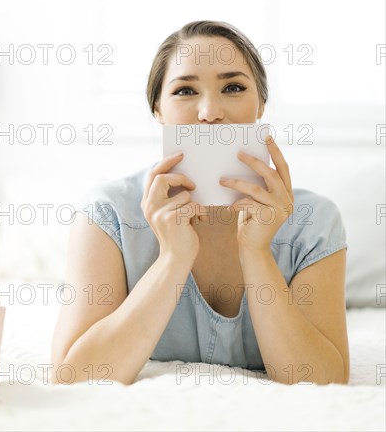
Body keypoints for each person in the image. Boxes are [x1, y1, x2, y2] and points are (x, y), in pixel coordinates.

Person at [51, 20, 350, 386]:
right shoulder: (107, 214)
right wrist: (173, 258)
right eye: (185, 91)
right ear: (157, 110)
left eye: (234, 87)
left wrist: (256, 252)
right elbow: (73, 378)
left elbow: (323, 382)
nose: (210, 112)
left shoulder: (314, 223)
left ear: (261, 106)